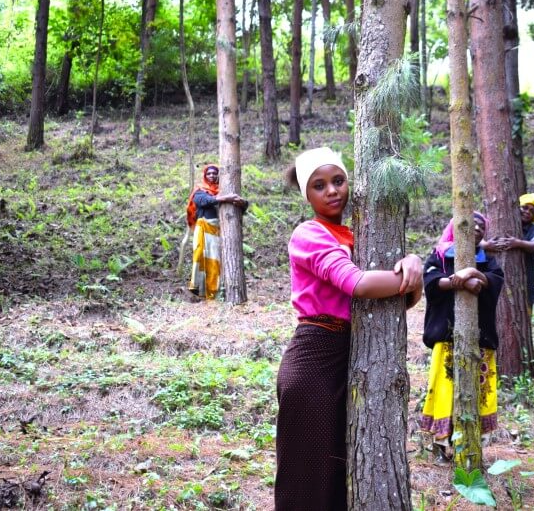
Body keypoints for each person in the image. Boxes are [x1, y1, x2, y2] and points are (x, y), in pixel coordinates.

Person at [275, 147, 423, 511]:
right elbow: (356, 284)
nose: (331, 191)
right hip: (314, 359)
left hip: (348, 355)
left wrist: (412, 266)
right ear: (307, 195)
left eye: (338, 181)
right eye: (319, 185)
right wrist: (412, 273)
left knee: (340, 466)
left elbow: (396, 302)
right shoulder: (309, 234)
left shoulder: (358, 236)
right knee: (308, 473)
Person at [419, 213, 504, 461]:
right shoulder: (439, 256)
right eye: (471, 223)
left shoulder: (487, 259)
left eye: (481, 225)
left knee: (478, 390)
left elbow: (495, 281)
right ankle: (440, 444)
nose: (476, 227)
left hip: (480, 340)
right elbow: (431, 281)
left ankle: (469, 445)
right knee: (444, 389)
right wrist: (462, 281)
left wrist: (473, 273)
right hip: (446, 336)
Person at [186, 164, 247, 299]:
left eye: (214, 173)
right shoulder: (200, 190)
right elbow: (203, 201)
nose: (212, 176)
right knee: (201, 258)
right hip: (204, 229)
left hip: (219, 231)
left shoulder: (224, 190)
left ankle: (215, 291)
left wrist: (242, 203)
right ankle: (200, 290)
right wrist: (226, 198)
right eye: (209, 173)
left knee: (215, 260)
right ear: (205, 176)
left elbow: (243, 204)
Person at [484, 193, 534, 313]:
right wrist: (486, 245)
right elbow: (476, 238)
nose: (527, 212)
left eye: (532, 211)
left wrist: (518, 243)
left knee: (525, 308)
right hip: (492, 275)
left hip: (524, 279)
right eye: (525, 207)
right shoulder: (497, 221)